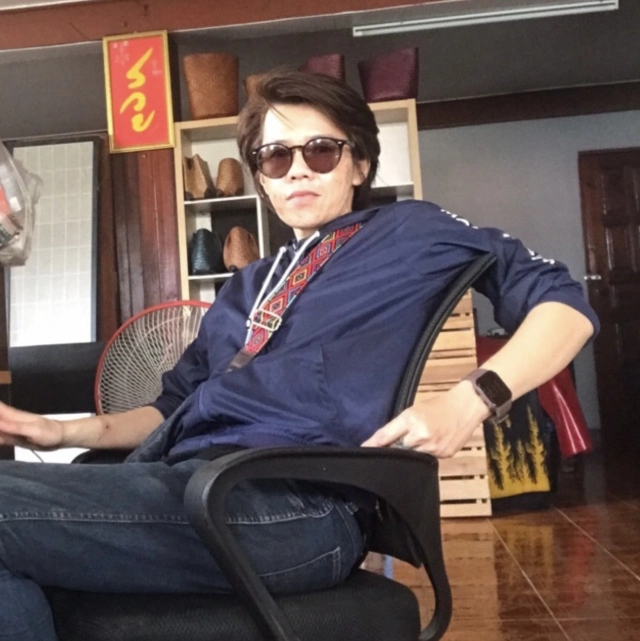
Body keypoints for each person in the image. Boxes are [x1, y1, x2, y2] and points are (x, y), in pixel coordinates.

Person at [0, 70, 598, 641]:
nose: (298, 170)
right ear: (261, 178)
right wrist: (60, 432)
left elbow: (564, 304)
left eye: (321, 151)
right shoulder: (241, 288)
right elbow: (168, 409)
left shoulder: (411, 231)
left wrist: (472, 399)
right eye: (275, 157)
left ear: (359, 163)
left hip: (293, 506)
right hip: (181, 484)